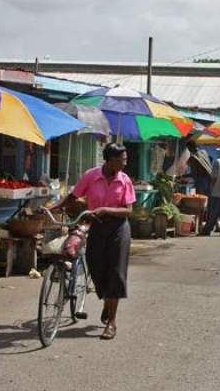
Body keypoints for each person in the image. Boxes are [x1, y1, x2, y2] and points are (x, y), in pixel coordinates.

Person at [52, 143, 135, 340]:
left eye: (125, 159)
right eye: (121, 159)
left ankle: (111, 322)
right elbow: (73, 196)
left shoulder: (125, 180)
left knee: (116, 272)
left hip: (119, 229)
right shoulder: (91, 175)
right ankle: (107, 299)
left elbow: (129, 211)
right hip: (96, 227)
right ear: (110, 159)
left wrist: (106, 210)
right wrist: (54, 207)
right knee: (96, 268)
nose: (125, 162)